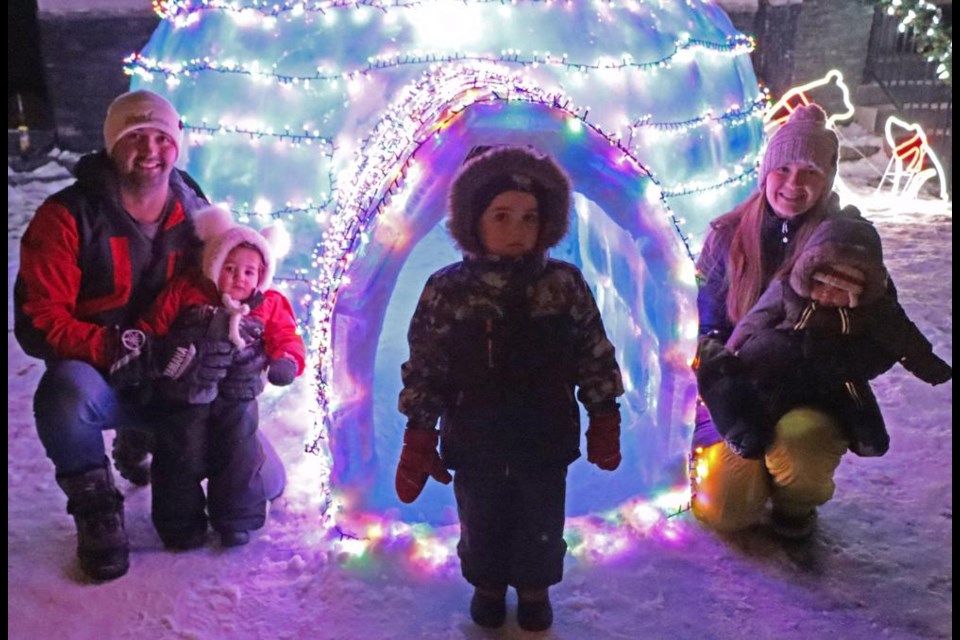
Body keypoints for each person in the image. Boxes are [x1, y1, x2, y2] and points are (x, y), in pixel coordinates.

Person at [13, 90, 283, 581]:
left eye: (162, 137)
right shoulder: (67, 216)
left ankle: (145, 435)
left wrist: (257, 342)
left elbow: (237, 283)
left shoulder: (194, 210)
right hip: (103, 371)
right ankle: (96, 505)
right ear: (112, 145)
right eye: (135, 137)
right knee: (64, 396)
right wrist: (117, 348)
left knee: (266, 484)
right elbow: (41, 319)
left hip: (182, 377)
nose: (150, 150)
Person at [690, 103, 951, 540]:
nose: (794, 184)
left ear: (828, 178)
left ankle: (795, 500)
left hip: (814, 389)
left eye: (810, 172)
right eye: (784, 169)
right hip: (740, 383)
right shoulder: (727, 235)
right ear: (766, 172)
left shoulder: (848, 239)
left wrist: (830, 353)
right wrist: (720, 368)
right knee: (727, 511)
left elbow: (882, 326)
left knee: (801, 447)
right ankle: (750, 471)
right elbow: (703, 323)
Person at [395, 146, 625, 631]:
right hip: (474, 437)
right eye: (501, 216)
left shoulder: (564, 285)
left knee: (541, 520)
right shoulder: (448, 290)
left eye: (529, 217)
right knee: (480, 519)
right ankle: (488, 584)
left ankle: (535, 588)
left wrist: (604, 413)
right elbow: (427, 364)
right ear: (472, 220)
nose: (517, 230)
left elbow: (592, 351)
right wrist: (420, 432)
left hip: (544, 436)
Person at [117, 205, 306, 549]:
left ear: (262, 275)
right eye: (230, 268)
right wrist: (143, 351)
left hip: (238, 396)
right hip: (186, 394)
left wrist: (286, 361)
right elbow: (153, 325)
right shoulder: (186, 291)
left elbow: (287, 336)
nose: (239, 278)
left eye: (250, 272)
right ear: (214, 265)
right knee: (179, 453)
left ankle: (236, 519)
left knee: (239, 453)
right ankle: (180, 526)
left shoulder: (270, 304)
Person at [696, 215, 951, 460]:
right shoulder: (788, 292)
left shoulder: (874, 310)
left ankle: (868, 436)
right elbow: (756, 319)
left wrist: (928, 366)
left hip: (835, 373)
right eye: (821, 284)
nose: (828, 295)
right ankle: (747, 433)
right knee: (758, 395)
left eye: (841, 290)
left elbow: (902, 335)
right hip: (776, 364)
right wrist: (734, 349)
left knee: (853, 395)